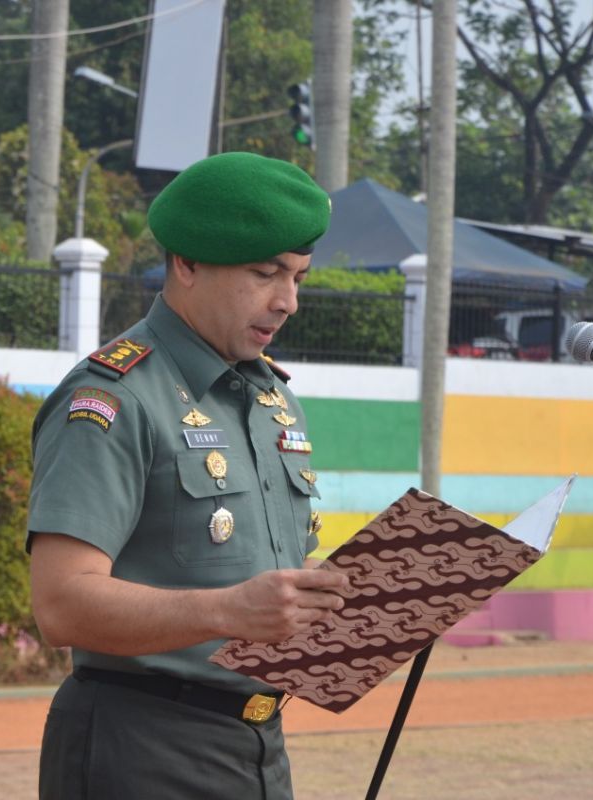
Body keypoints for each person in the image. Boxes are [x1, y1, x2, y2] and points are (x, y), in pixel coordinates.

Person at [27, 152, 351, 800]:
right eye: (266, 274)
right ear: (188, 264)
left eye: (298, 277)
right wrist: (230, 610)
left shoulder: (272, 401)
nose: (287, 301)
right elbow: (60, 603)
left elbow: (270, 589)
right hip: (140, 749)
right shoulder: (115, 398)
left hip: (258, 748)